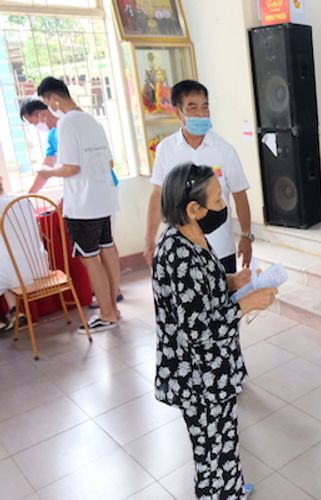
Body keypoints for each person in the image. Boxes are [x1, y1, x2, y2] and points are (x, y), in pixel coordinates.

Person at [152, 163, 276, 500]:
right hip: (198, 376)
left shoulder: (189, 236)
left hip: (213, 369)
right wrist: (247, 303)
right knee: (210, 447)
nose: (224, 206)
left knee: (224, 435)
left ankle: (231, 487)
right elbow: (198, 329)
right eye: (219, 200)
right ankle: (216, 493)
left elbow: (200, 290)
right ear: (194, 209)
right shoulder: (177, 254)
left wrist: (231, 282)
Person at [20, 98, 124, 309]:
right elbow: (48, 169)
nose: (37, 126)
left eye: (35, 121)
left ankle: (111, 298)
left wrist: (70, 195)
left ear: (45, 110)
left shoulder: (68, 126)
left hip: (96, 191)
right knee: (104, 245)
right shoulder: (56, 133)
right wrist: (29, 194)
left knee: (101, 247)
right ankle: (110, 298)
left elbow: (72, 168)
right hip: (94, 192)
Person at [36, 76, 120, 333]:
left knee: (89, 258)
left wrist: (46, 172)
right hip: (104, 198)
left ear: (53, 99)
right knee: (108, 251)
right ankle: (114, 308)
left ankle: (106, 313)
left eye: (46, 104)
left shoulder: (67, 123)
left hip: (83, 205)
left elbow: (71, 167)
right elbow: (109, 164)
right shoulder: (91, 119)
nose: (47, 110)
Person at [144, 80, 253, 274]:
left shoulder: (224, 150)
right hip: (181, 253)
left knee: (225, 300)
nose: (201, 114)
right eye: (192, 108)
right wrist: (149, 239)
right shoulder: (166, 150)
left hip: (220, 248)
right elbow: (157, 196)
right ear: (178, 112)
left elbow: (239, 194)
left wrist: (245, 235)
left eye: (205, 107)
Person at [0, 177, 48, 331]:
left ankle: (12, 314)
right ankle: (15, 313)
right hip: (40, 266)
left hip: (18, 274)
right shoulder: (23, 200)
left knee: (5, 262)